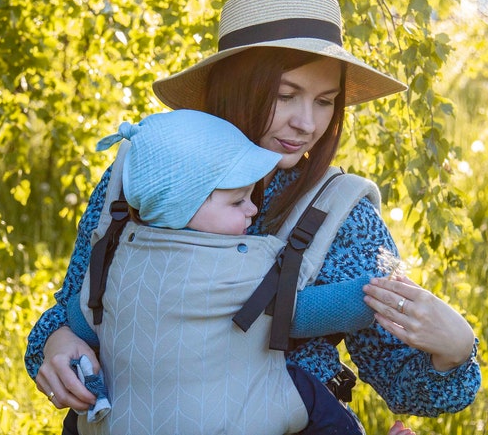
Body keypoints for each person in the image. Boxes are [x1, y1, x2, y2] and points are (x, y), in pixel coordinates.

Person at [26, 0, 480, 432]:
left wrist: (454, 350)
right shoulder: (144, 172)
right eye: (286, 96)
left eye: (325, 102)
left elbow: (404, 388)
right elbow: (80, 300)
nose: (306, 123)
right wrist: (57, 343)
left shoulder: (343, 214)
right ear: (236, 86)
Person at [67, 109, 380, 433]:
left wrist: (66, 334)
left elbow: (83, 319)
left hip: (122, 423)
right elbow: (301, 313)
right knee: (307, 390)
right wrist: (372, 296)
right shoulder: (239, 268)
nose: (253, 209)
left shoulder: (119, 256)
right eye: (238, 202)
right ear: (185, 207)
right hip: (220, 423)